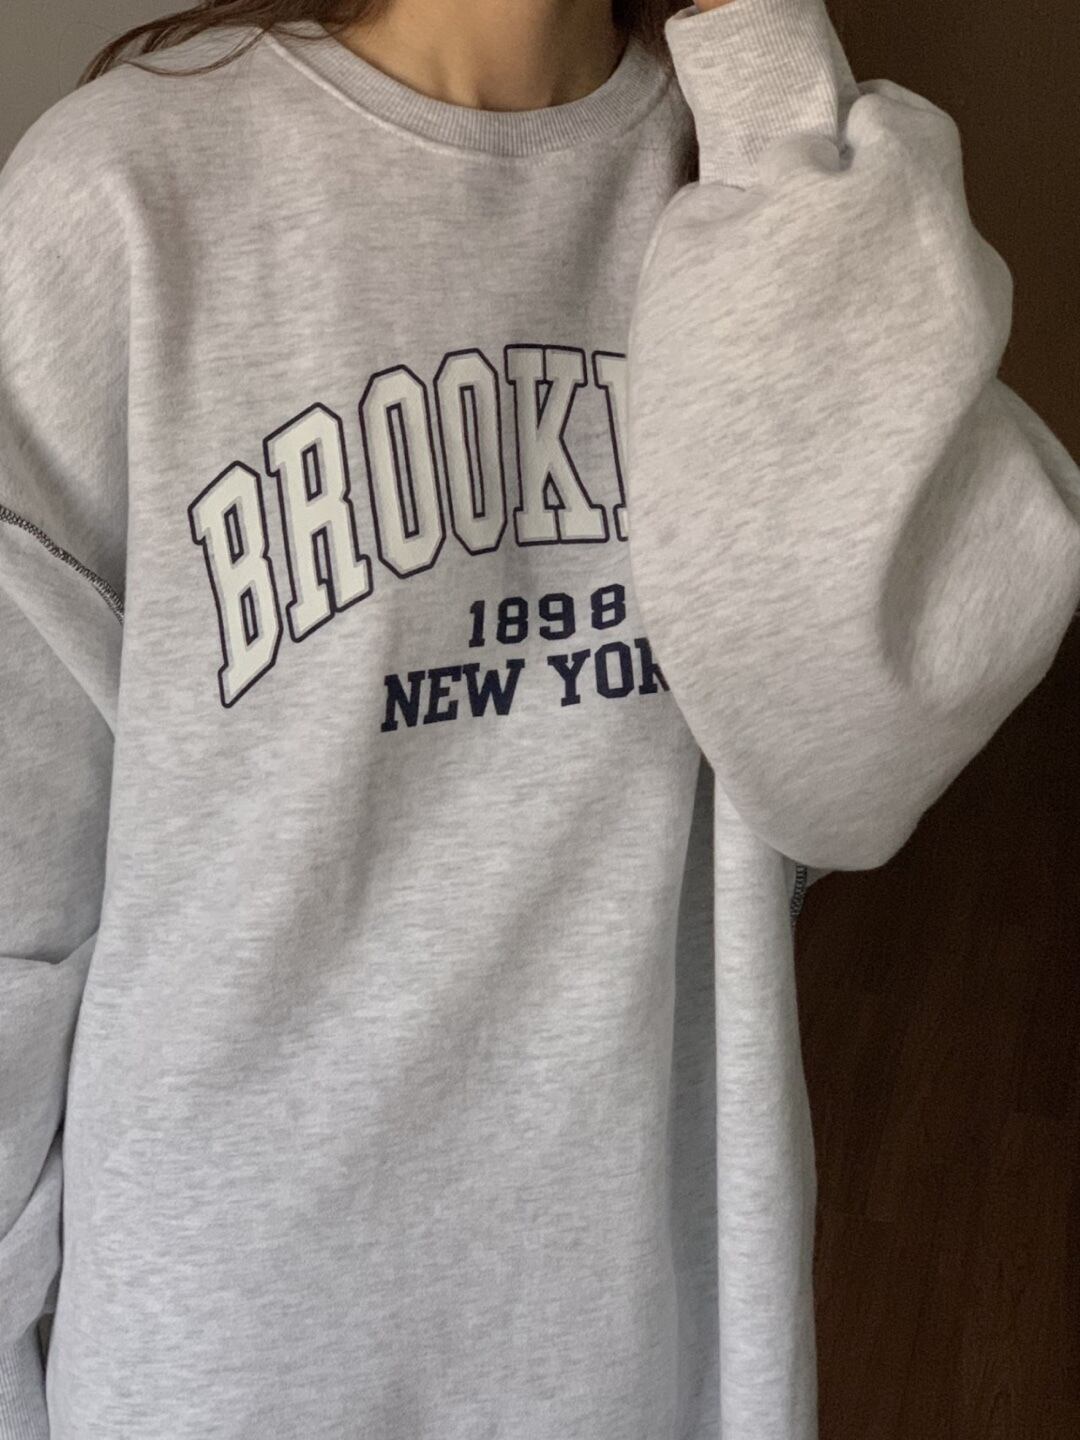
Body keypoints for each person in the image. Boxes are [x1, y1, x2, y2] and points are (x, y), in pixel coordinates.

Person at [1, 1, 1077, 1437]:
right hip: (222, 1347)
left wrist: (772, 105)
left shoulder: (782, 185)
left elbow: (845, 768)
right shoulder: (122, 194)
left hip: (642, 1319)